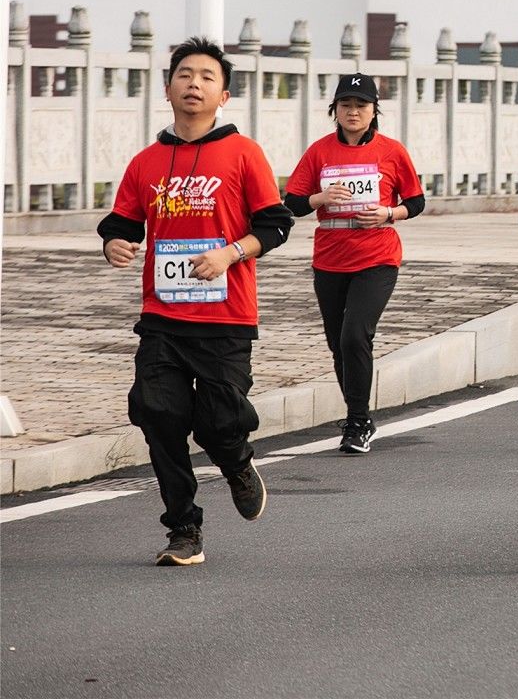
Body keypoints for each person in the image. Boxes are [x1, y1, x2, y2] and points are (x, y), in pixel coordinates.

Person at [97, 38, 293, 566]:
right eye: (184, 75)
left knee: (218, 422)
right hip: (162, 316)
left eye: (207, 76)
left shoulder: (243, 153)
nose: (194, 84)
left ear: (223, 94)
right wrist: (114, 241)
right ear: (167, 88)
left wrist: (230, 254)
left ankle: (235, 462)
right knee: (157, 415)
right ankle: (184, 529)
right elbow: (121, 221)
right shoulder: (148, 160)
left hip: (226, 316)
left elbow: (275, 225)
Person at [283, 74, 426, 453]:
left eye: (361, 105)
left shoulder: (392, 151)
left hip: (377, 257)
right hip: (330, 258)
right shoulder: (319, 152)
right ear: (335, 110)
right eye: (346, 105)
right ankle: (357, 413)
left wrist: (388, 213)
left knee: (354, 335)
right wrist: (320, 197)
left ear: (373, 110)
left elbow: (416, 201)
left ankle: (358, 421)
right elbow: (292, 203)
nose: (353, 112)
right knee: (337, 344)